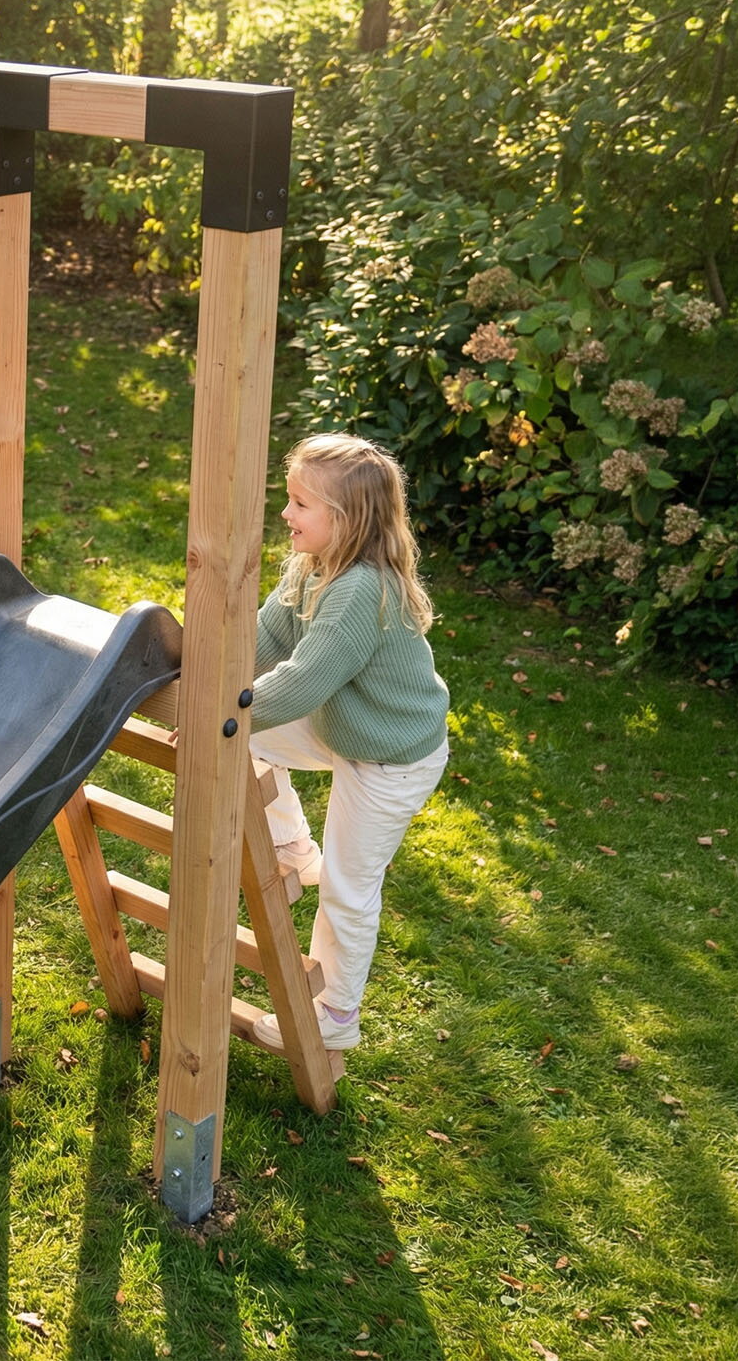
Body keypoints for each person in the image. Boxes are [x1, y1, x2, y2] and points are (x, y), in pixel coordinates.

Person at [247, 433, 450, 1077]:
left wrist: (227, 711)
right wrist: (209, 687)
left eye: (300, 504)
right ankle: (291, 849)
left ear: (347, 519)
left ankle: (338, 1009)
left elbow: (303, 682)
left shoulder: (361, 590)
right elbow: (269, 636)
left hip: (392, 756)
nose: (286, 514)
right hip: (346, 726)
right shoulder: (310, 566)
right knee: (246, 738)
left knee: (349, 885)